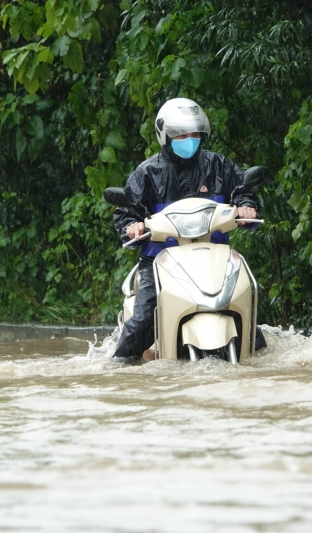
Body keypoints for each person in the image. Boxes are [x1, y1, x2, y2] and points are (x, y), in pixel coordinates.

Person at [112, 98, 262, 362]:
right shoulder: (147, 172)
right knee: (144, 320)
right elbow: (127, 210)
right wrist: (131, 226)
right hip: (160, 260)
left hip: (212, 257)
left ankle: (261, 361)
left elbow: (242, 190)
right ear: (166, 136)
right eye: (181, 134)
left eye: (194, 134)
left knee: (248, 312)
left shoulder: (219, 166)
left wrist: (246, 207)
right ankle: (119, 367)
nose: (189, 139)